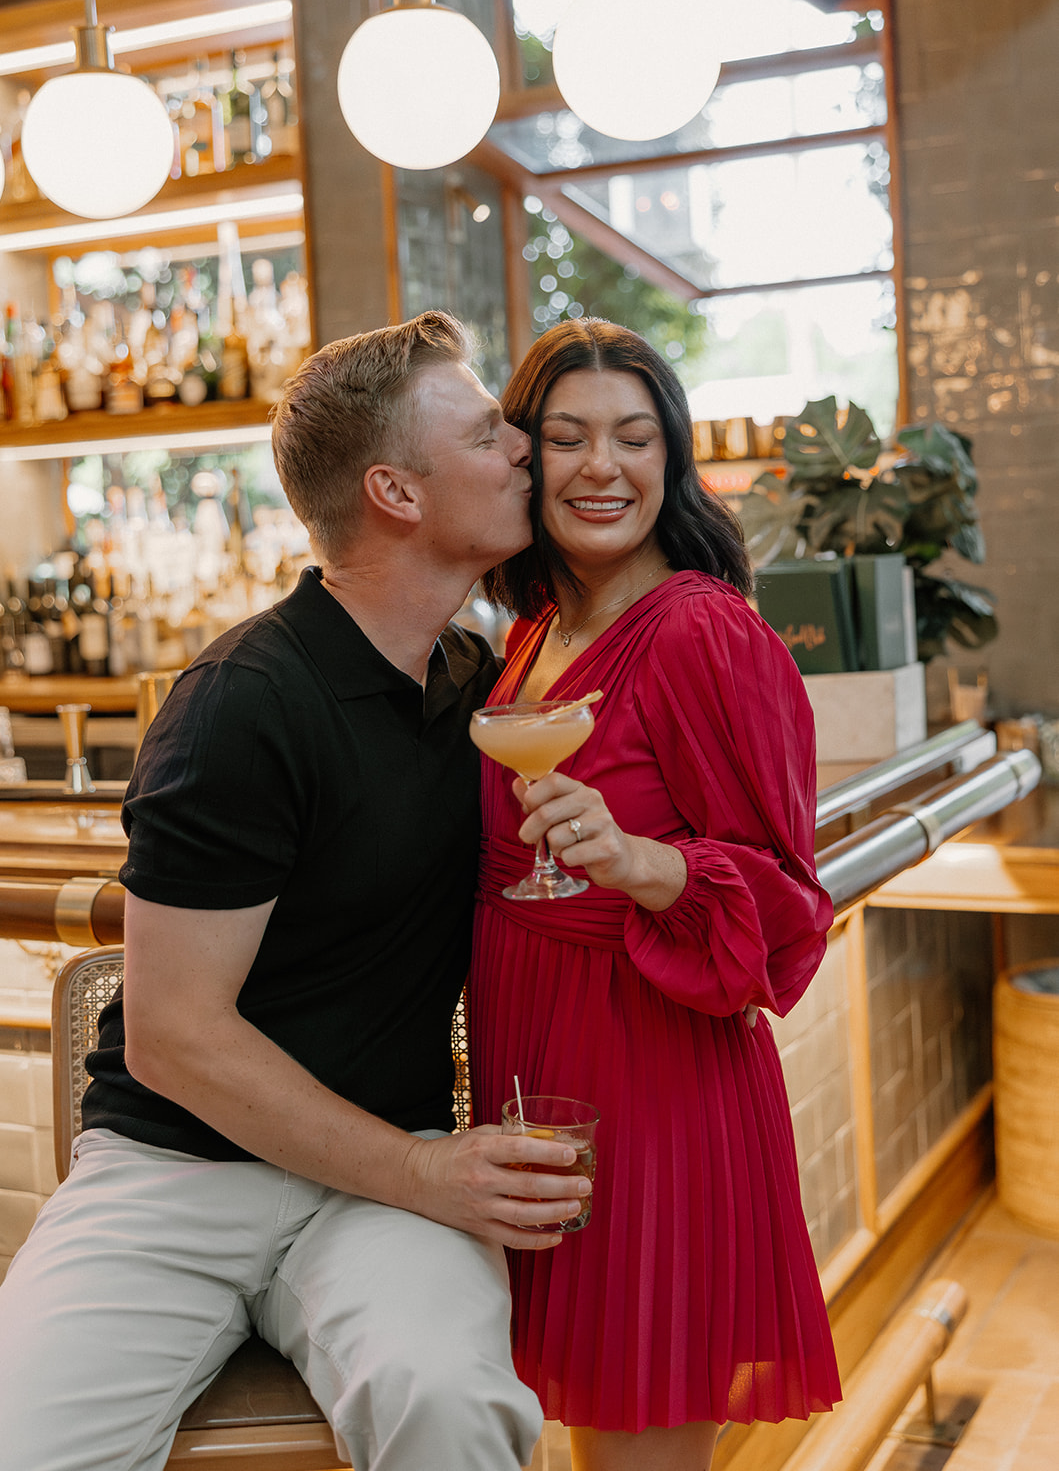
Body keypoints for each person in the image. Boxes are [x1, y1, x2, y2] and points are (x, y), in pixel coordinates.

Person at [0, 311, 594, 1471]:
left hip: (378, 1190)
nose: (523, 446)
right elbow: (172, 1039)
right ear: (395, 492)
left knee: (455, 1407)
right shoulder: (240, 703)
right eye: (484, 433)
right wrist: (428, 1169)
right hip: (178, 1176)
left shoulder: (476, 682)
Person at [472, 318, 842, 1471]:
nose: (602, 468)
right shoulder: (530, 631)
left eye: (634, 439)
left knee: (636, 1449)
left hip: (651, 1085)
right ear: (524, 461)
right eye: (568, 437)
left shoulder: (699, 632)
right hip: (542, 1077)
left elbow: (788, 908)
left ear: (669, 463)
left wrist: (642, 861)